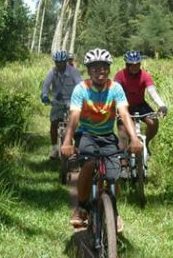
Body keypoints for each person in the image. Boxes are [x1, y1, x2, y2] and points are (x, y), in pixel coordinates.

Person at [60, 48, 143, 230]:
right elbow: (74, 116)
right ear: (89, 71)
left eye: (104, 67)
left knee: (114, 174)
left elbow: (124, 113)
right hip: (86, 135)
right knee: (89, 164)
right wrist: (67, 142)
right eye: (95, 68)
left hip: (107, 136)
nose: (100, 72)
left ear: (109, 69)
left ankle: (113, 210)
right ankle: (81, 208)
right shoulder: (81, 89)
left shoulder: (115, 88)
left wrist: (134, 139)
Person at [114, 50, 167, 152]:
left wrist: (162, 105)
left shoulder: (145, 75)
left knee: (153, 123)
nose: (135, 67)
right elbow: (114, 93)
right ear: (127, 65)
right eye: (132, 65)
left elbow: (153, 93)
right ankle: (124, 159)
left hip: (140, 104)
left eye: (137, 64)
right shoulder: (120, 75)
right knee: (124, 132)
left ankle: (146, 143)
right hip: (124, 106)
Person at [41, 50, 82, 159]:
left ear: (66, 62)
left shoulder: (73, 72)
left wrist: (81, 98)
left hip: (72, 102)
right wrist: (44, 95)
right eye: (57, 62)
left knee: (73, 125)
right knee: (54, 123)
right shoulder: (52, 72)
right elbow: (46, 85)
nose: (59, 65)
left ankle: (76, 147)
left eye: (61, 62)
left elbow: (80, 85)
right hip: (57, 102)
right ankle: (54, 148)